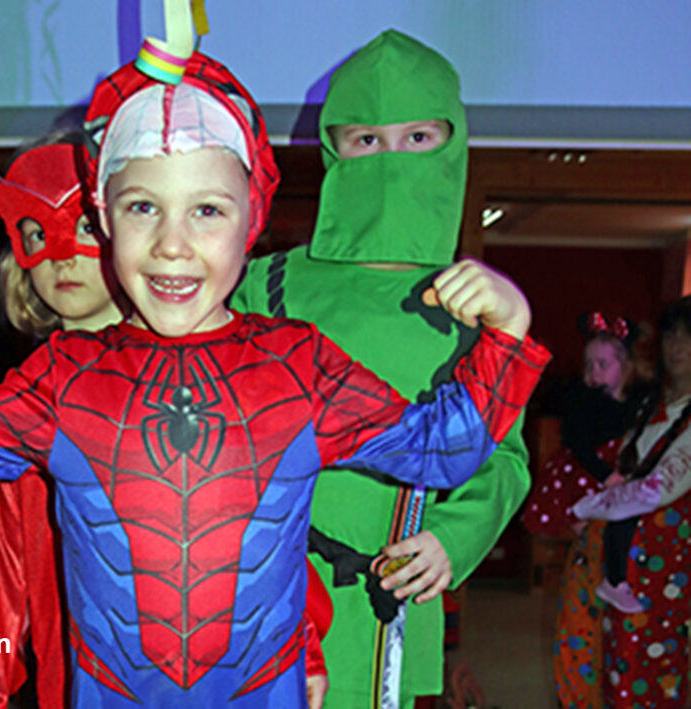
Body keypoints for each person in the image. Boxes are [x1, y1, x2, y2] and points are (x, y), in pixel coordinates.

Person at [0, 44, 548, 706]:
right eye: (141, 207)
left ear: (251, 217)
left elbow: (442, 451)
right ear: (105, 215)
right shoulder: (62, 374)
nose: (172, 245)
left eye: (206, 210)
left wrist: (505, 337)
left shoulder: (300, 362)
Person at [231, 29, 531, 707]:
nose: (390, 158)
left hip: (392, 591)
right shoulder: (263, 284)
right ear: (335, 149)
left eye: (417, 138)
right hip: (263, 582)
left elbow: (503, 458)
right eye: (367, 139)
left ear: (451, 144)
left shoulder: (474, 302)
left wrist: (454, 538)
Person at [0, 139, 122, 709]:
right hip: (64, 648)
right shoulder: (25, 397)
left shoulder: (194, 377)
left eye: (84, 228)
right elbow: (4, 549)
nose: (60, 255)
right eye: (38, 233)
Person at [573, 296, 691, 707]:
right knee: (612, 659)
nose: (677, 347)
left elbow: (660, 487)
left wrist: (589, 507)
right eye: (672, 336)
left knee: (654, 666)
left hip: (667, 569)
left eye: (688, 338)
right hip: (619, 558)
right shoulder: (648, 404)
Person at [521, 312, 639, 708]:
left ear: (626, 368)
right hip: (591, 482)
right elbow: (579, 444)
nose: (593, 373)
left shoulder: (640, 408)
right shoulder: (585, 406)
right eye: (589, 365)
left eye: (603, 365)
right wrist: (606, 475)